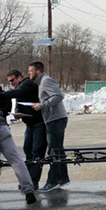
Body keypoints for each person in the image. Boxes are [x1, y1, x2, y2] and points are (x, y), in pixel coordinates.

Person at [0, 70, 47, 190]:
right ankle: (27, 180)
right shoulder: (19, 89)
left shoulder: (27, 84)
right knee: (27, 151)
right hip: (29, 124)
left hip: (39, 123)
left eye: (12, 80)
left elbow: (18, 92)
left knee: (37, 152)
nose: (11, 83)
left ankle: (33, 181)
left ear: (19, 78)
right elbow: (19, 103)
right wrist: (17, 114)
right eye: (9, 81)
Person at [29, 61, 70, 192]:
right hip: (53, 119)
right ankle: (63, 178)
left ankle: (52, 181)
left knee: (53, 151)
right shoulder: (41, 82)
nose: (29, 73)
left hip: (56, 119)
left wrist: (42, 105)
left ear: (38, 71)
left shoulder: (46, 81)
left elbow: (58, 96)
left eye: (30, 71)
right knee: (58, 150)